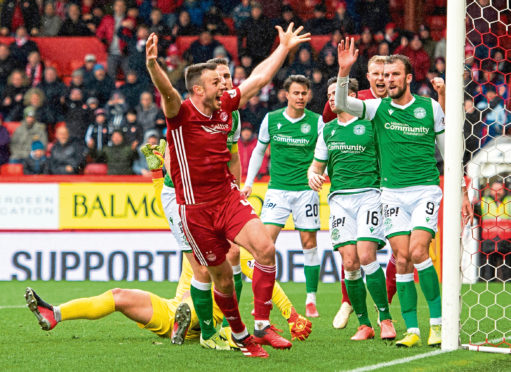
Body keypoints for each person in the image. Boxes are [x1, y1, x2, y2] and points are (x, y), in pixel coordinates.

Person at [145, 22, 310, 358]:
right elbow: (167, 93)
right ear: (197, 90)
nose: (224, 85)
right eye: (215, 82)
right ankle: (239, 334)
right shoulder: (180, 114)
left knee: (265, 249)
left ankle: (261, 324)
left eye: (223, 81)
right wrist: (152, 65)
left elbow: (260, 80)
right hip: (195, 211)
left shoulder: (225, 106)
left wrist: (284, 47)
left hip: (227, 197)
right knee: (220, 279)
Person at [334, 39, 473, 347]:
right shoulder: (375, 108)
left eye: (395, 74)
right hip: (391, 194)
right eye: (385, 76)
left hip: (425, 189)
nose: (389, 80)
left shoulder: (429, 107)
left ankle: (438, 324)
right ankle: (412, 330)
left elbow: (448, 151)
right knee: (402, 256)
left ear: (409, 77)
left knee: (420, 251)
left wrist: (462, 190)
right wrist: (344, 70)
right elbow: (343, 104)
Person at [308, 77, 396, 341]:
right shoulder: (328, 129)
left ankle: (386, 319)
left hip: (369, 195)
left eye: (338, 92)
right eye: (330, 93)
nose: (333, 98)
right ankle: (364, 324)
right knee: (349, 262)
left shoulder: (371, 125)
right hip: (338, 200)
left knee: (367, 255)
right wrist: (312, 175)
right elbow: (316, 166)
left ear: (354, 97)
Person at [243, 75, 323, 318]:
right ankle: (262, 296)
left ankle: (311, 299)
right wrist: (248, 183)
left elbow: (324, 153)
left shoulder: (317, 122)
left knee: (309, 243)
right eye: (296, 93)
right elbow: (258, 151)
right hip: (277, 190)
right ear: (286, 95)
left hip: (306, 191)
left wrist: (319, 173)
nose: (301, 97)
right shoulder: (272, 119)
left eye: (304, 93)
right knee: (265, 244)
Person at [477, 180, 511, 281]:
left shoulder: (509, 201)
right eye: (494, 190)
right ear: (490, 190)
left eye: (500, 189)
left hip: (506, 239)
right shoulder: (483, 201)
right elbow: (476, 214)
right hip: (489, 239)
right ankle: (487, 284)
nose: (497, 192)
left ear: (504, 190)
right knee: (488, 267)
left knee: (507, 268)